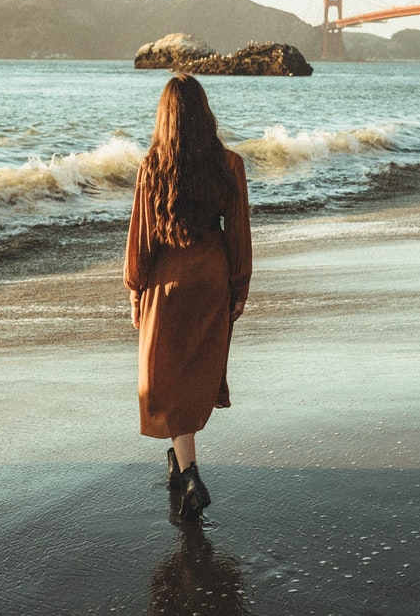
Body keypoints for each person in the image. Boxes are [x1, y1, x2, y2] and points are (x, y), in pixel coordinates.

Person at [124, 73, 252, 518]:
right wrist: (239, 287)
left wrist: (136, 289)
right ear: (204, 112)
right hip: (212, 277)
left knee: (163, 379)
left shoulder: (152, 165)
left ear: (165, 116)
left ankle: (190, 472)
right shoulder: (229, 164)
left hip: (167, 280)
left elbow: (141, 235)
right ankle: (179, 467)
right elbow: (238, 233)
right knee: (196, 373)